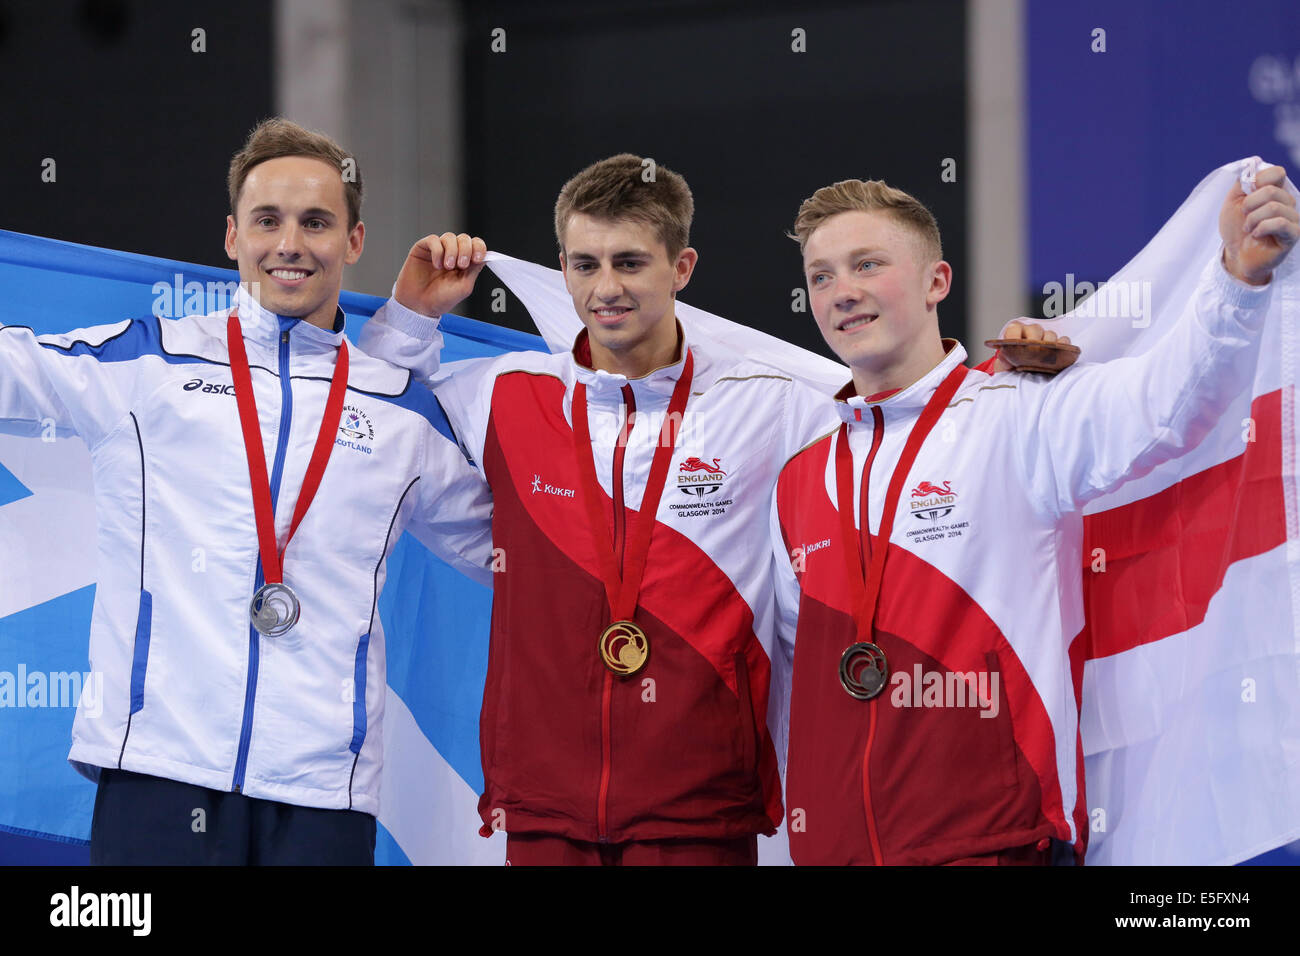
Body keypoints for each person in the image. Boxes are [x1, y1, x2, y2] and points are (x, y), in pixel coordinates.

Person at [361, 153, 1058, 865]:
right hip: (544, 810)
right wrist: (412, 314)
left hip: (702, 812)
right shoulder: (502, 394)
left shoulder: (774, 406)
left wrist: (1007, 383)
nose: (606, 288)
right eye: (585, 264)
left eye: (630, 262)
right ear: (562, 267)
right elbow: (373, 423)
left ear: (682, 268)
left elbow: (901, 425)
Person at [0, 117, 493, 865]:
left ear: (353, 243)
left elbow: (517, 553)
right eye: (268, 220)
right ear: (232, 237)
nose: (290, 243)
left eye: (317, 222)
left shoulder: (400, 412)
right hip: (157, 777)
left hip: (323, 798)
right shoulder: (148, 365)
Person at [770, 168, 1299, 865]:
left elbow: (1168, 406)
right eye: (821, 275)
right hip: (838, 853)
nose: (842, 291)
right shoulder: (800, 478)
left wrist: (1237, 279)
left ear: (937, 282)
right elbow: (792, 683)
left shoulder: (1022, 418)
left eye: (868, 264)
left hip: (996, 845)